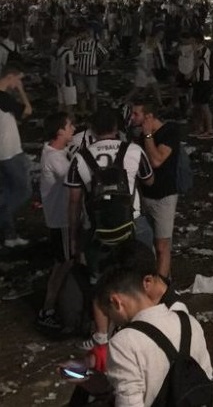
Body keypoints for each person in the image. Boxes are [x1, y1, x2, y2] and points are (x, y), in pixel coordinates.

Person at [65, 107, 154, 355]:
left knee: (100, 285)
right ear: (117, 128)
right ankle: (143, 331)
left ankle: (102, 339)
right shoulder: (133, 150)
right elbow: (149, 180)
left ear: (91, 130)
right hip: (133, 224)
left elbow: (73, 202)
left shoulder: (80, 158)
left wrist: (74, 240)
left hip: (97, 231)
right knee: (140, 280)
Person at [93, 263, 213, 406]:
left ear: (116, 302)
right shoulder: (189, 321)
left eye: (108, 314)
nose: (112, 320)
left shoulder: (123, 342)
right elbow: (207, 379)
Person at [130, 99, 180, 281]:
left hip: (163, 197)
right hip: (144, 197)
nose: (132, 117)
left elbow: (157, 161)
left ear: (149, 116)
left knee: (162, 245)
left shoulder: (170, 132)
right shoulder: (137, 134)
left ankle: (163, 287)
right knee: (147, 244)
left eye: (136, 114)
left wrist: (148, 135)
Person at [38, 112, 77, 330]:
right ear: (60, 131)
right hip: (61, 219)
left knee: (66, 261)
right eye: (70, 125)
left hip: (62, 218)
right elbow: (76, 177)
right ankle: (48, 309)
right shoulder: (55, 158)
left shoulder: (56, 151)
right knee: (63, 263)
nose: (73, 128)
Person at [0, 63, 33, 247]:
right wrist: (21, 92)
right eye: (18, 79)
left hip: (3, 152)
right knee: (23, 191)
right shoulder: (3, 98)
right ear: (10, 77)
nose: (19, 82)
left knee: (7, 192)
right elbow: (27, 111)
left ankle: (10, 236)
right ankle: (3, 217)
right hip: (10, 152)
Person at [190, 35, 213, 139]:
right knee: (197, 105)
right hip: (198, 80)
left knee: (204, 105)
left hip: (204, 80)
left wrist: (191, 74)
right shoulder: (197, 50)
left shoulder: (204, 50)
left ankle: (209, 130)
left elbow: (198, 63)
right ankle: (199, 128)